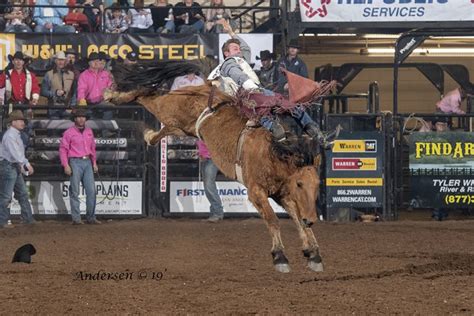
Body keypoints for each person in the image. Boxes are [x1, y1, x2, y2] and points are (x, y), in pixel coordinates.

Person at [208, 20, 336, 146]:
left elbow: (245, 48)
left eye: (238, 48)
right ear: (226, 53)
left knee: (291, 106)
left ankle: (317, 135)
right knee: (267, 109)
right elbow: (237, 74)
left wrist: (231, 33)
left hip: (257, 92)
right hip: (246, 95)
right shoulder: (228, 63)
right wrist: (250, 86)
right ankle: (281, 132)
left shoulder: (239, 59)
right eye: (235, 48)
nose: (239, 50)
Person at [170, 72, 222, 222]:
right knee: (209, 184)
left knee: (209, 184)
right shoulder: (202, 121)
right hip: (207, 156)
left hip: (211, 157)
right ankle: (216, 211)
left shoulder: (209, 121)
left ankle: (217, 212)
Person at [59, 108, 101, 225]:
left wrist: (94, 163)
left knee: (91, 191)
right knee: (75, 191)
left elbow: (92, 148)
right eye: (79, 117)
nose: (81, 119)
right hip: (75, 162)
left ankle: (91, 217)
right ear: (75, 119)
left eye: (83, 117)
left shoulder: (89, 131)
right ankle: (76, 219)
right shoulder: (68, 133)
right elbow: (63, 150)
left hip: (87, 161)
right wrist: (66, 165)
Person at [0, 110, 36, 228]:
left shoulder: (14, 135)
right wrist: (26, 164)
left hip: (12, 165)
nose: (23, 123)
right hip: (9, 165)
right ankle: (3, 220)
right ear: (13, 122)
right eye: (20, 120)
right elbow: (16, 154)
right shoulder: (11, 136)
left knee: (21, 194)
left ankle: (27, 218)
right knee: (7, 196)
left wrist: (22, 164)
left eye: (22, 121)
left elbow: (17, 154)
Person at [77, 52, 114, 119]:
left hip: (103, 102)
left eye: (97, 61)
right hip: (89, 104)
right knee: (91, 121)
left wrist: (110, 93)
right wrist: (82, 99)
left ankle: (107, 129)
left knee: (109, 109)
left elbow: (111, 86)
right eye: (93, 61)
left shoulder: (106, 74)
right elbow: (81, 89)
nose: (96, 63)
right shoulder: (84, 75)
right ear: (89, 63)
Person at [41, 51, 76, 119]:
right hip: (53, 108)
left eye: (62, 60)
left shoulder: (71, 74)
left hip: (67, 108)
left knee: (66, 128)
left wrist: (72, 106)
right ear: (55, 61)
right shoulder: (49, 74)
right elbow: (43, 91)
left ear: (65, 61)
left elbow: (74, 92)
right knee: (54, 128)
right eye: (59, 60)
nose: (61, 62)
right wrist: (55, 93)